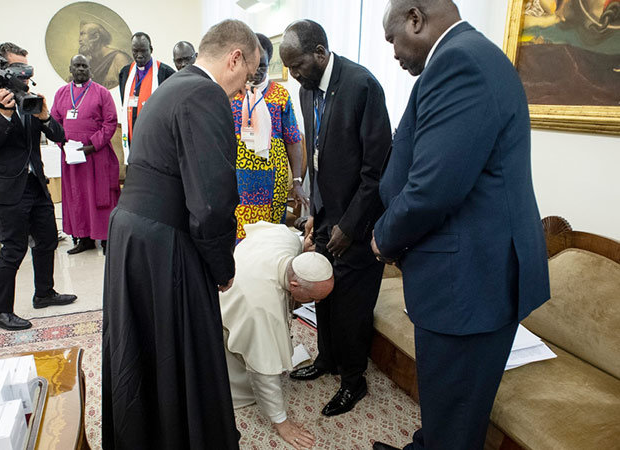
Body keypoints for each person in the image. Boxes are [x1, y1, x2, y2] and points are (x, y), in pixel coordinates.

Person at [371, 2, 550, 450]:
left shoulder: (459, 61)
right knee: (447, 404)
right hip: (465, 277)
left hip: (469, 284)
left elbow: (433, 188)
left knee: (456, 419)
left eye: (392, 38)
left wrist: (382, 237)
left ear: (416, 18)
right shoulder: (466, 55)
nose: (392, 52)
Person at [102, 19, 260, 449]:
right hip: (163, 242)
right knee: (181, 349)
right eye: (247, 78)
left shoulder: (172, 87)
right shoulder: (205, 93)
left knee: (145, 351)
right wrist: (220, 266)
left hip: (133, 232)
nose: (244, 91)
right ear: (235, 58)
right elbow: (211, 202)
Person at [279, 19, 391, 416]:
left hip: (360, 223)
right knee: (320, 293)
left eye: (296, 66)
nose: (292, 75)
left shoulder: (362, 86)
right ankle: (326, 359)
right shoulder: (307, 91)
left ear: (320, 54)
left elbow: (377, 170)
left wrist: (350, 225)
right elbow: (318, 157)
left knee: (351, 306)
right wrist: (315, 211)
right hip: (328, 215)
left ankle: (353, 380)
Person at [0, 42, 77, 331]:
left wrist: (45, 117)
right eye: (19, 69)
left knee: (47, 239)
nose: (25, 75)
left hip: (33, 182)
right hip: (6, 188)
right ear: (2, 68)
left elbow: (58, 135)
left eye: (28, 70)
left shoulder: (26, 95)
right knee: (13, 249)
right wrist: (3, 115)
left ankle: (44, 293)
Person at [220, 221, 333, 450]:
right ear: (294, 284)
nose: (318, 303)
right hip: (222, 316)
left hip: (240, 280)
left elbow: (296, 240)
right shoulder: (263, 309)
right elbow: (264, 373)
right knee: (253, 368)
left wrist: (304, 246)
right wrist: (282, 422)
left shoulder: (288, 238)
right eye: (315, 298)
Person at [231, 33, 306, 242]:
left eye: (262, 66)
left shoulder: (280, 95)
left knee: (270, 241)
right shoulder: (232, 93)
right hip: (239, 181)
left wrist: (298, 182)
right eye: (252, 65)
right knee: (242, 239)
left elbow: (293, 139)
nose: (256, 72)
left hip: (274, 180)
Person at [51, 54, 120, 255]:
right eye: (77, 66)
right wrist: (63, 144)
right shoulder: (62, 93)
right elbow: (55, 124)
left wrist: (93, 145)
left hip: (97, 156)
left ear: (90, 70)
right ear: (70, 69)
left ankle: (108, 239)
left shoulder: (102, 93)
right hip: (73, 159)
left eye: (84, 66)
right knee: (77, 197)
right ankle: (84, 238)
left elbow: (110, 123)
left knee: (101, 196)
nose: (81, 69)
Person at [117, 32, 175, 162]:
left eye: (143, 51)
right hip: (132, 136)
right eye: (135, 51)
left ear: (151, 49)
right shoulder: (125, 73)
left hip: (156, 139)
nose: (139, 55)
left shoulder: (166, 73)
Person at [77, 22, 130, 89]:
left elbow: (128, 87)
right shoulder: (90, 62)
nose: (79, 40)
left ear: (96, 37)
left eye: (83, 34)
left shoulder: (119, 59)